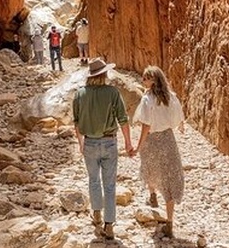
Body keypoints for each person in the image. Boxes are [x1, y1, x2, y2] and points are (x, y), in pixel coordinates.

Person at [73, 58, 135, 240]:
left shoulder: (79, 94)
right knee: (109, 185)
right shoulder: (112, 92)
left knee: (93, 180)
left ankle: (97, 213)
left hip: (89, 142)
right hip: (109, 142)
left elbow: (76, 122)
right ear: (104, 74)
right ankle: (109, 225)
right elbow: (123, 119)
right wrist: (128, 143)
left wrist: (80, 143)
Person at [133, 65, 185, 238]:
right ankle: (169, 222)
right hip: (168, 139)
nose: (143, 80)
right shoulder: (171, 97)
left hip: (152, 141)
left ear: (153, 80)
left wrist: (139, 145)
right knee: (170, 178)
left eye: (146, 78)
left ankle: (153, 194)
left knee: (149, 168)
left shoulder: (147, 99)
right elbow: (178, 118)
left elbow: (146, 125)